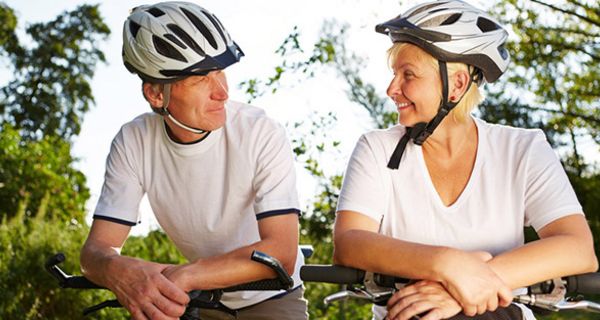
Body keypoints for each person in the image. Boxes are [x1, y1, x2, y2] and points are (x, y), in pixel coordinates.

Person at [333, 1, 597, 320]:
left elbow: (577, 248)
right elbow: (349, 244)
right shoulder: (376, 148)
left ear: (456, 85)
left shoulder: (523, 148)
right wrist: (448, 264)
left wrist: (463, 286)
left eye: (408, 75)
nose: (392, 89)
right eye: (394, 74)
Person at [79, 2, 308, 320]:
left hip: (271, 296)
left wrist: (182, 277)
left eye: (221, 71)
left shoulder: (260, 132)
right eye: (201, 78)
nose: (222, 92)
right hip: (201, 299)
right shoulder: (133, 141)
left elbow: (280, 252)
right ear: (156, 94)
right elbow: (94, 252)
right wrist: (118, 269)